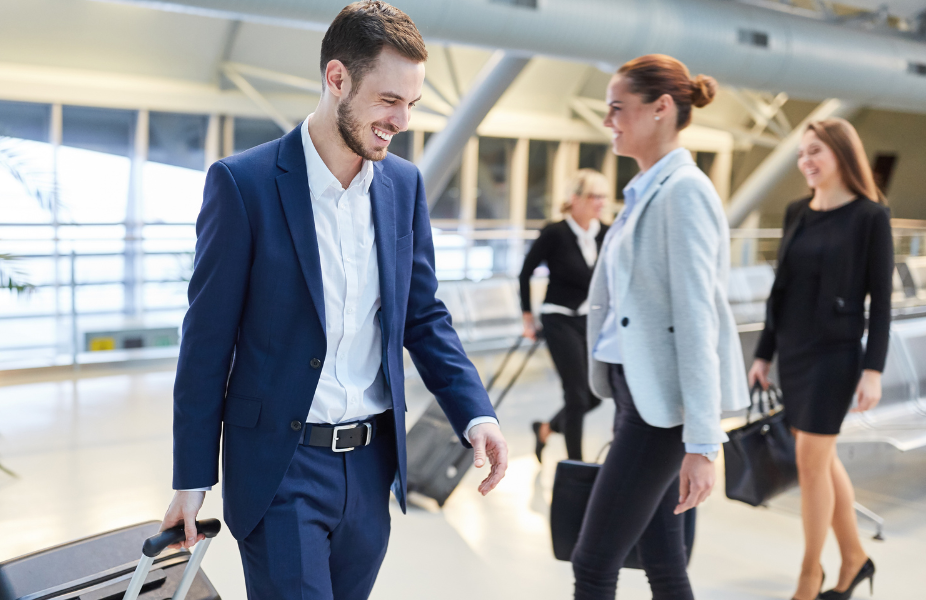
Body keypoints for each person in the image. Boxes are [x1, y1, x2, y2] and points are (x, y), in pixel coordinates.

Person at [160, 3, 509, 599]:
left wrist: (475, 413)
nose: (400, 120)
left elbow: (422, 316)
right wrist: (192, 479)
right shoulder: (243, 185)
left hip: (371, 470)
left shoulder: (403, 185)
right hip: (281, 468)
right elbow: (206, 342)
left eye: (411, 104)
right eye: (388, 100)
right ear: (337, 78)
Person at [572, 54, 749, 599]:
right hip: (639, 398)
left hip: (662, 414)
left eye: (618, 109)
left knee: (594, 562)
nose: (609, 122)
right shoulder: (647, 189)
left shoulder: (684, 192)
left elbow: (698, 319)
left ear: (661, 109)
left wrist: (702, 441)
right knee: (663, 562)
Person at [748, 118, 891, 600]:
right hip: (795, 352)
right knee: (820, 460)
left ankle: (811, 576)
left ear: (841, 156)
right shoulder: (796, 212)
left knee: (812, 459)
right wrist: (764, 353)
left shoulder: (870, 216)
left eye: (816, 151)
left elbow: (882, 301)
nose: (806, 161)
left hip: (837, 353)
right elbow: (780, 291)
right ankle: (855, 559)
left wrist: (874, 369)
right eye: (801, 153)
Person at [520, 169, 610, 462]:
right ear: (575, 199)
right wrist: (527, 318)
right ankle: (577, 468)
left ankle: (546, 428)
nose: (601, 202)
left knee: (596, 393)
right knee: (576, 395)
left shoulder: (606, 233)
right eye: (594, 196)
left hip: (589, 320)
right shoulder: (555, 232)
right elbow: (525, 273)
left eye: (604, 197)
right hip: (558, 318)